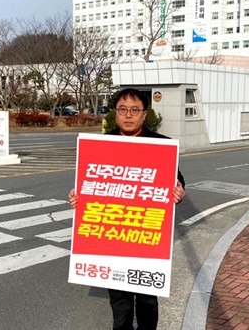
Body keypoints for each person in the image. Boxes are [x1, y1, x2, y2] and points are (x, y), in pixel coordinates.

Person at [68, 87, 186, 330]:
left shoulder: (161, 146)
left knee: (147, 301)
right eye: (123, 110)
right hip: (114, 238)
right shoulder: (100, 145)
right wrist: (77, 198)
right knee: (119, 302)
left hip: (146, 239)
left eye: (135, 110)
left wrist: (179, 191)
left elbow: (177, 179)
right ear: (115, 114)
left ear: (145, 114)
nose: (128, 115)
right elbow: (90, 186)